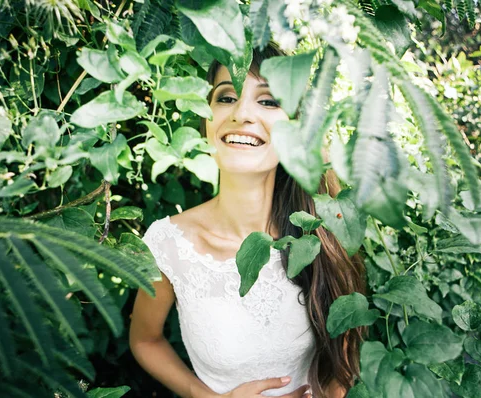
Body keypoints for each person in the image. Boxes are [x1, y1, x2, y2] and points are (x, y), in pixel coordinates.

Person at [129, 43, 365, 398]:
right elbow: (145, 339)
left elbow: (344, 355)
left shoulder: (324, 232)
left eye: (268, 101)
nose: (241, 113)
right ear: (205, 115)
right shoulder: (167, 244)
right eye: (225, 97)